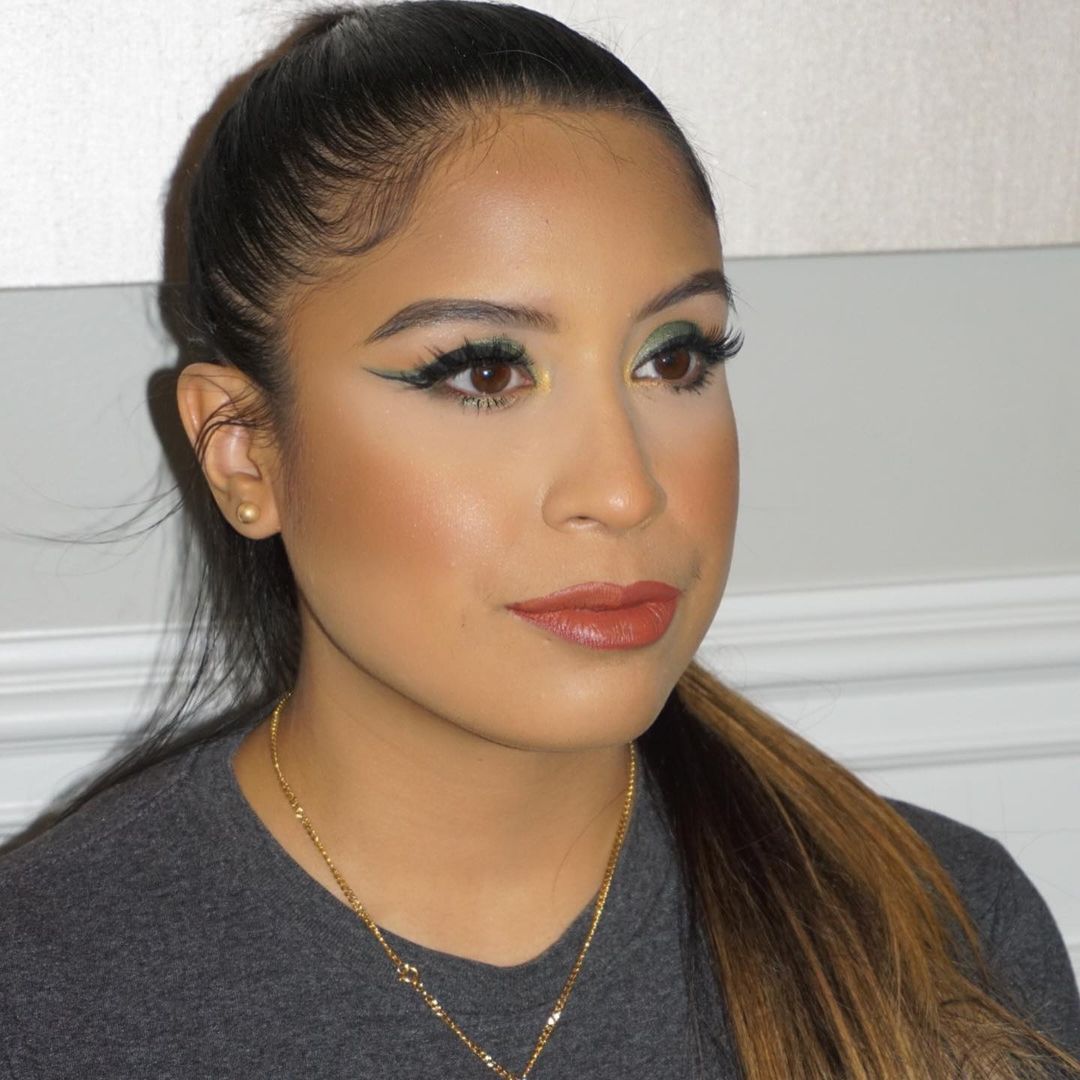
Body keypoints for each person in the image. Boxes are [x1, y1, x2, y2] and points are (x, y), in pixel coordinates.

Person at [2, 3, 1078, 1077]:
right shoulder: (44, 997)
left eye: (673, 358)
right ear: (245, 453)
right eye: (484, 372)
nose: (625, 489)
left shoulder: (944, 943)